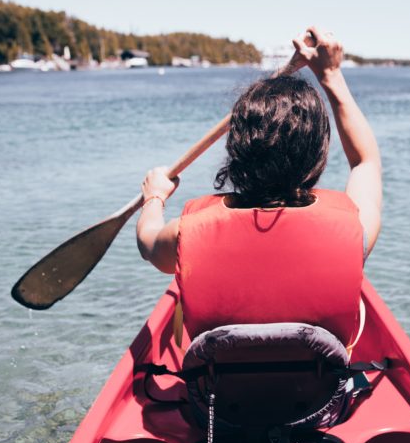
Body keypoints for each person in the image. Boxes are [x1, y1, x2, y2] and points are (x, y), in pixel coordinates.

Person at [135, 27, 381, 346]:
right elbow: (366, 162)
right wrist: (332, 75)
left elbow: (147, 241)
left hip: (216, 397)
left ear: (236, 150)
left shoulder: (184, 234)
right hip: (320, 397)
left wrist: (154, 196)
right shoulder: (354, 231)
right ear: (317, 153)